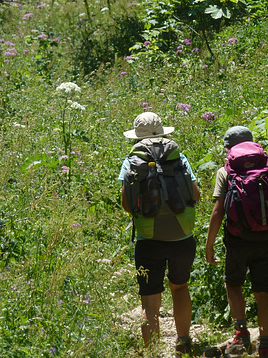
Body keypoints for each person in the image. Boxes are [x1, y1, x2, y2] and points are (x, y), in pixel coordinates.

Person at [205, 126, 268, 358]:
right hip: (265, 238)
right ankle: (266, 345)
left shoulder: (226, 171)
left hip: (237, 239)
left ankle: (241, 334)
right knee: (263, 292)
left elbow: (217, 212)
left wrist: (209, 244)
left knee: (234, 285)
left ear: (228, 148)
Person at [119, 112, 200, 356]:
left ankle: (152, 351)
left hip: (148, 239)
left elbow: (126, 203)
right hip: (182, 236)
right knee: (180, 287)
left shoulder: (131, 161)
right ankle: (184, 341)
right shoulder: (179, 157)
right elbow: (194, 194)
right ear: (163, 132)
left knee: (150, 300)